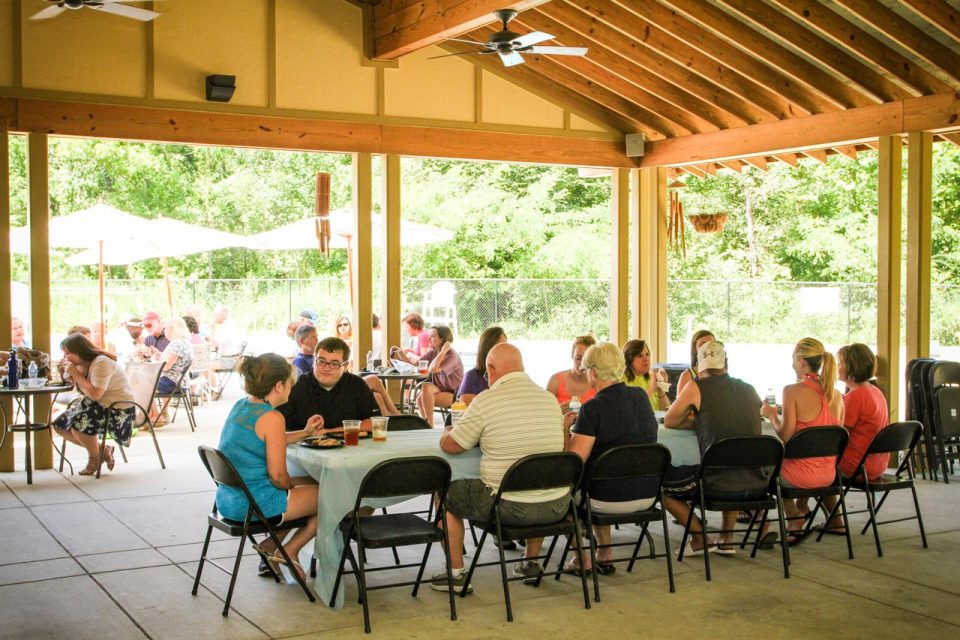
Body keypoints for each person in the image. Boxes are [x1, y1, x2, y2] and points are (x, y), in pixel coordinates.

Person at [432, 343, 567, 592]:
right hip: (557, 505)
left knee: (446, 492)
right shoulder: (549, 400)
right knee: (538, 478)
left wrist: (448, 431)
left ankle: (456, 573)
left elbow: (452, 446)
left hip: (507, 507)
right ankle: (530, 562)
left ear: (491, 370)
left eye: (487, 374)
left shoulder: (486, 401)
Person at [216, 353, 324, 580]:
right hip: (254, 504)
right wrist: (290, 487)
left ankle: (268, 544)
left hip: (229, 499)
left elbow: (267, 438)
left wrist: (304, 433)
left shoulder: (242, 405)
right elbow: (277, 477)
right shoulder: (272, 417)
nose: (290, 389)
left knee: (312, 484)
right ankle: (288, 551)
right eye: (289, 384)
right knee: (333, 496)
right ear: (278, 385)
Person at [565, 342, 658, 574]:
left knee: (562, 493)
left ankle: (581, 559)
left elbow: (574, 460)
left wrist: (563, 428)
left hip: (605, 498)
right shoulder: (640, 397)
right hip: (647, 494)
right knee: (605, 471)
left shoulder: (592, 408)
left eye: (587, 370)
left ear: (593, 373)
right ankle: (604, 553)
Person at [663, 340, 764, 554]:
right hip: (756, 481)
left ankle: (700, 537)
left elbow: (671, 420)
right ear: (726, 363)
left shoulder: (697, 386)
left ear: (699, 365)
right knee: (733, 459)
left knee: (661, 486)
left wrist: (700, 421)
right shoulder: (749, 388)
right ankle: (726, 538)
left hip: (714, 482)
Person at [762, 337, 843, 543]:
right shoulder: (837, 396)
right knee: (805, 460)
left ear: (800, 361)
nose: (791, 363)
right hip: (829, 476)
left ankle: (793, 515)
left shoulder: (792, 391)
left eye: (792, 358)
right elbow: (833, 438)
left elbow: (786, 435)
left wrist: (771, 414)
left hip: (798, 478)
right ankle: (804, 508)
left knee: (765, 466)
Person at [818, 343, 889, 534]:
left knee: (817, 466)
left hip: (858, 465)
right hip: (877, 463)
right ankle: (812, 512)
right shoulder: (875, 392)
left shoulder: (856, 396)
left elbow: (838, 434)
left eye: (840, 362)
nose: (836, 366)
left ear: (851, 367)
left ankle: (827, 518)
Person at [52, 333, 135, 476]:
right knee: (60, 425)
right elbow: (81, 389)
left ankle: (94, 458)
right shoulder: (83, 364)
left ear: (80, 351)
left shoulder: (102, 362)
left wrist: (75, 374)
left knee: (79, 424)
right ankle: (103, 450)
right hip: (95, 405)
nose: (65, 357)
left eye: (68, 353)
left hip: (116, 408)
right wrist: (66, 373)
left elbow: (96, 393)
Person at [277, 336, 379, 432]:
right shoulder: (297, 385)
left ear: (345, 366)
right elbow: (276, 422)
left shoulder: (356, 385)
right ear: (314, 360)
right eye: (321, 361)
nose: (326, 368)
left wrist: (329, 432)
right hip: (303, 447)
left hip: (350, 447)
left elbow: (375, 423)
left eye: (334, 364)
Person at [391, 325, 464, 422]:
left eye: (432, 336)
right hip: (440, 388)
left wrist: (442, 351)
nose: (429, 339)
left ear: (442, 339)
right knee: (424, 389)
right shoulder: (433, 352)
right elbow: (415, 365)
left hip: (455, 394)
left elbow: (432, 369)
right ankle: (427, 424)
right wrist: (400, 352)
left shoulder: (452, 356)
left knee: (421, 399)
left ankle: (429, 425)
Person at [458, 326, 506, 406]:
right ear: (487, 349)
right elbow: (466, 414)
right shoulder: (471, 377)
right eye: (500, 347)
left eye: (505, 346)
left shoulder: (508, 376)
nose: (505, 351)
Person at [546, 335, 597, 410]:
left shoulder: (598, 383)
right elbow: (544, 411)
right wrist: (558, 411)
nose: (582, 364)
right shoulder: (555, 381)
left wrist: (583, 410)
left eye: (587, 359)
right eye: (578, 358)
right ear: (572, 355)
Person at [622, 339, 671, 410]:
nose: (646, 359)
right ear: (629, 359)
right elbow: (633, 408)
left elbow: (666, 410)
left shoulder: (651, 377)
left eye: (647, 354)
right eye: (640, 356)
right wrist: (652, 388)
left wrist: (660, 389)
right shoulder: (621, 381)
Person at [676, 329, 715, 394]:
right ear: (695, 349)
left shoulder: (721, 374)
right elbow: (679, 403)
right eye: (703, 344)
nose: (707, 348)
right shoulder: (686, 376)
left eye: (711, 344)